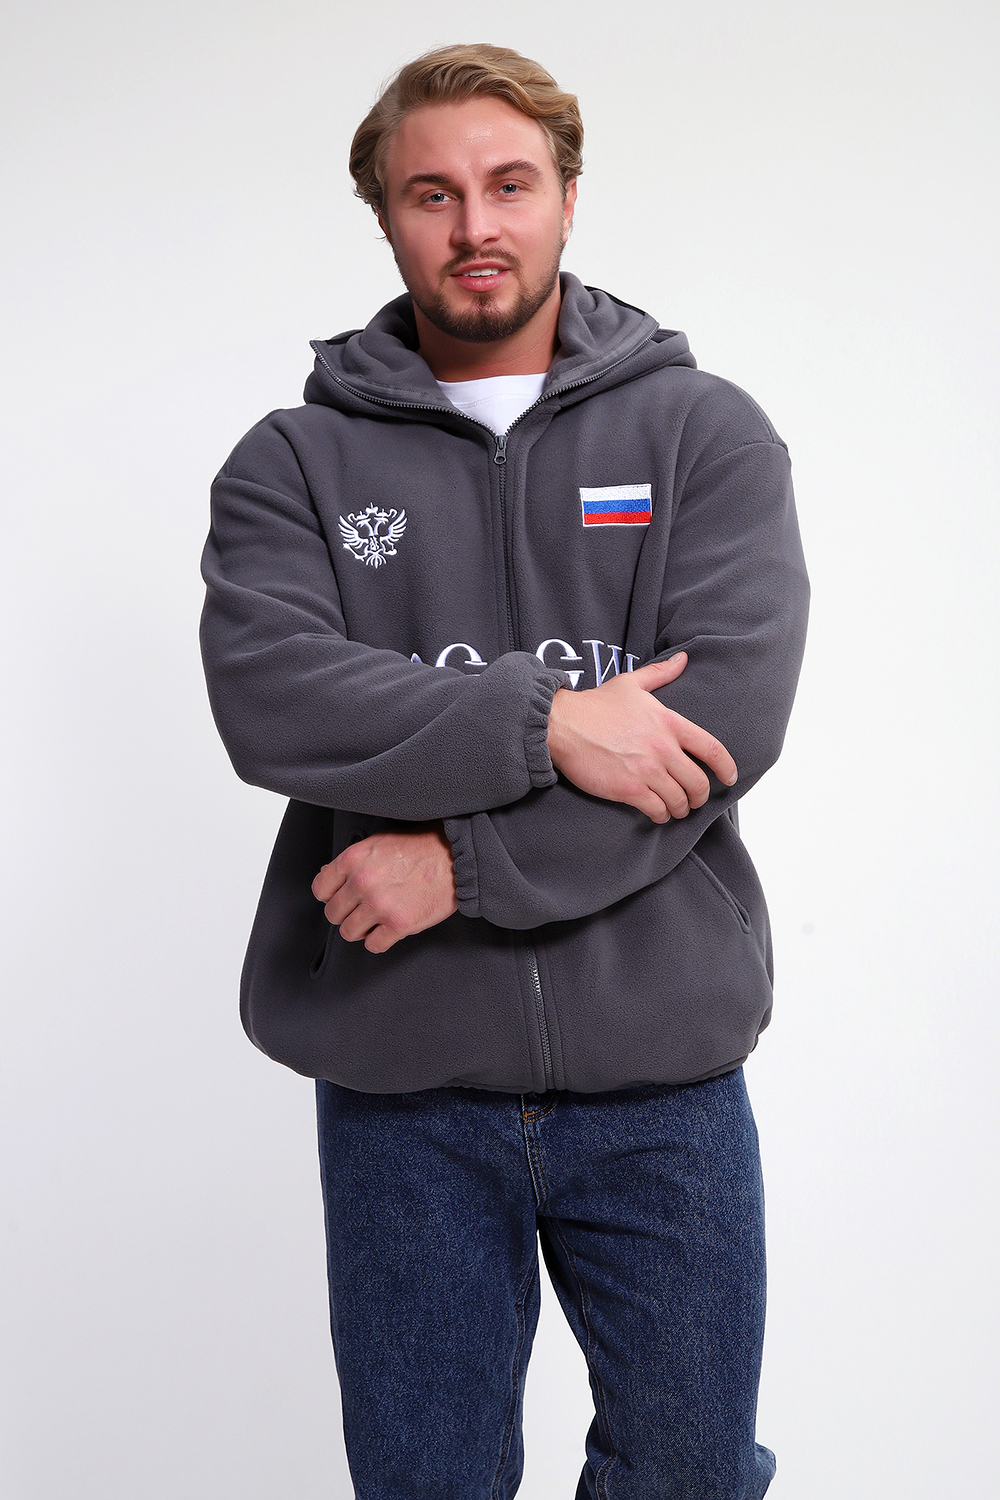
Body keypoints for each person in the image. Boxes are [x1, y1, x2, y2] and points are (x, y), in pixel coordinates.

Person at [200, 41, 808, 1500]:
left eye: (510, 184)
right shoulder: (294, 462)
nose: (475, 225)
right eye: (433, 194)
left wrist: (460, 866)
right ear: (386, 216)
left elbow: (720, 724)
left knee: (690, 1474)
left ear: (568, 197)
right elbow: (273, 700)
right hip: (404, 1084)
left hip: (661, 1075)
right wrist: (552, 722)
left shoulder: (702, 433)